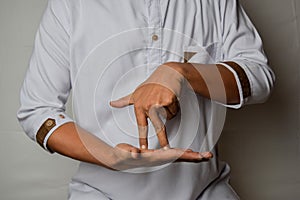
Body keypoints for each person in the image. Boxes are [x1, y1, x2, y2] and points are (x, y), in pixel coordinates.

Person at [17, 0, 275, 199]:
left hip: (204, 190)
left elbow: (259, 76)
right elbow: (38, 110)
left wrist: (182, 73)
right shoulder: (71, 4)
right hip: (101, 192)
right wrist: (111, 157)